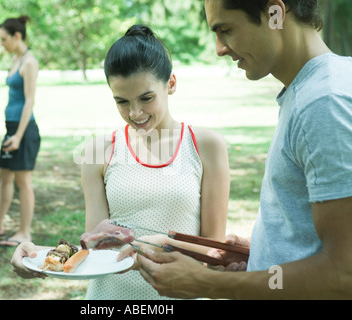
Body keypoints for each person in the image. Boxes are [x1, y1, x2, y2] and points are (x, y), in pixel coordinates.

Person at [136, 0, 352, 299]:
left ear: (275, 13)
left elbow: (343, 274)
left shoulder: (323, 103)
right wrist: (266, 253)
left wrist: (206, 283)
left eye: (226, 30)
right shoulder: (316, 88)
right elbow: (318, 241)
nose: (219, 48)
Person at [10, 24, 230, 300]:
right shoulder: (98, 152)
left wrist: (158, 246)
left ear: (171, 84)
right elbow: (95, 250)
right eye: (122, 101)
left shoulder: (206, 146)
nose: (135, 113)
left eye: (146, 98)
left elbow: (212, 252)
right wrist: (36, 255)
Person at [0, 15, 41, 247]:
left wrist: (18, 136)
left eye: (4, 39)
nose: (1, 43)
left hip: (23, 131)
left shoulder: (29, 62)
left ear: (17, 36)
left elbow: (29, 101)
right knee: (3, 176)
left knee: (23, 182)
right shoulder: (16, 59)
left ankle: (25, 233)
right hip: (11, 129)